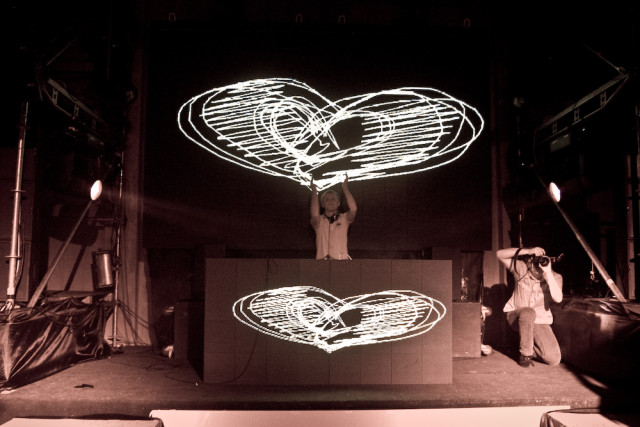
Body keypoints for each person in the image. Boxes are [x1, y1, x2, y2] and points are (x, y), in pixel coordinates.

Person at [496, 246, 563, 367]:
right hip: (516, 316)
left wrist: (548, 273)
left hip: (539, 321)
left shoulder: (555, 277)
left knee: (553, 359)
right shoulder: (521, 269)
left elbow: (558, 298)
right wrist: (527, 251)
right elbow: (499, 254)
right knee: (528, 312)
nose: (537, 268)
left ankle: (525, 345)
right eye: (535, 262)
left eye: (541, 262)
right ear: (529, 262)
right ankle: (525, 354)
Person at [310, 175, 357, 260]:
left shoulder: (344, 219)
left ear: (338, 203)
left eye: (333, 199)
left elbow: (353, 209)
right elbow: (314, 215)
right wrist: (314, 191)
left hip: (341, 263)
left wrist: (345, 188)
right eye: (327, 200)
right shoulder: (320, 221)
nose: (330, 201)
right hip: (322, 263)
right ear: (323, 204)